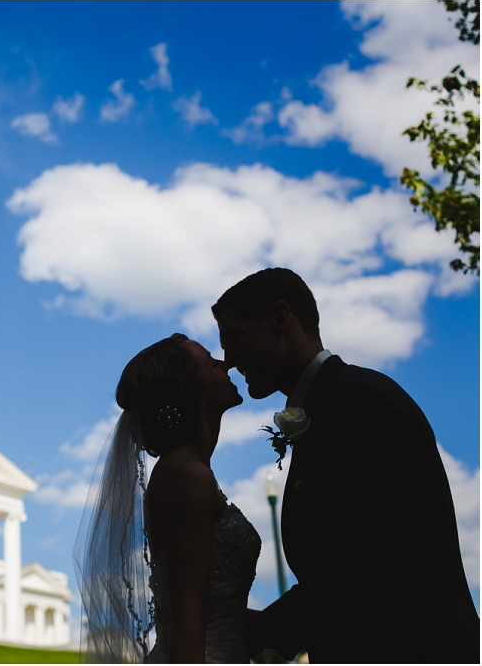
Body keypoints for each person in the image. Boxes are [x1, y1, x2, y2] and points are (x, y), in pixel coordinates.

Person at [212, 267, 479, 663]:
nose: (230, 360)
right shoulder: (337, 401)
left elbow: (378, 564)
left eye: (235, 338)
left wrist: (255, 633)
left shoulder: (359, 404)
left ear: (280, 318)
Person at [75, 333, 261, 663]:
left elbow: (218, 607)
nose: (225, 363)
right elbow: (188, 610)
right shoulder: (184, 474)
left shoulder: (187, 470)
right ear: (196, 395)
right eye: (210, 362)